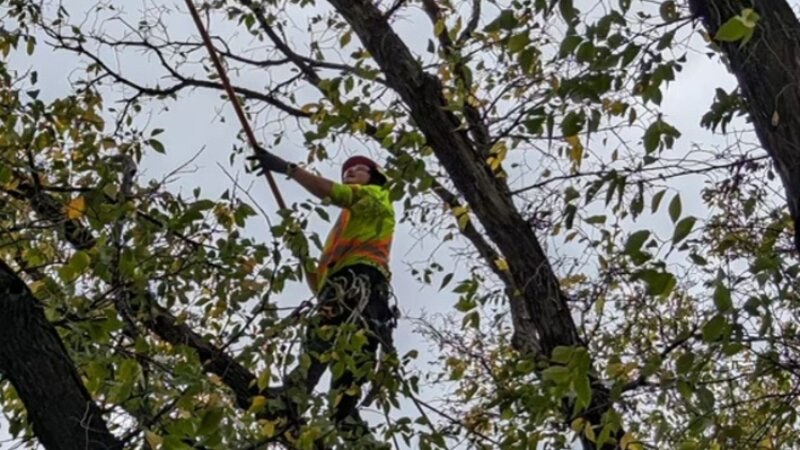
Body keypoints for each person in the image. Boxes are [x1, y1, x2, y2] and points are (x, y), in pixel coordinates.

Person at [248, 149, 397, 438]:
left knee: (320, 344)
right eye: (346, 171)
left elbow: (333, 192)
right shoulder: (348, 224)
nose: (349, 173)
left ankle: (291, 398)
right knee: (342, 409)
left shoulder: (376, 199)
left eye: (358, 170)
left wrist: (288, 168)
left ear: (374, 176)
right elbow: (321, 286)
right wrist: (303, 252)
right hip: (352, 296)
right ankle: (357, 439)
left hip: (360, 287)